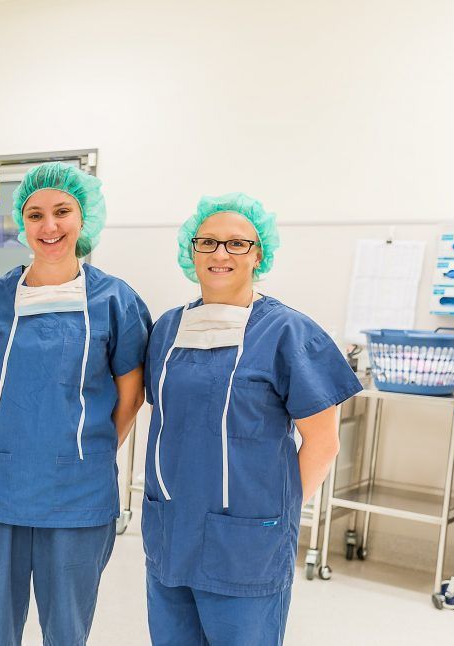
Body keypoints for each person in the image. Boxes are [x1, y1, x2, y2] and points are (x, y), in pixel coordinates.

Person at [141, 193, 362, 645]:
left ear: (259, 254)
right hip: (171, 531)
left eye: (237, 244)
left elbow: (323, 444)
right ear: (192, 251)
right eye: (208, 242)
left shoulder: (287, 332)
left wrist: (271, 516)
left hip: (247, 548)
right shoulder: (166, 329)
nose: (221, 253)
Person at [0, 162, 149, 646]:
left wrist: (86, 446)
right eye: (36, 214)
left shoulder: (114, 300)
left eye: (63, 212)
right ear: (23, 225)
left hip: (78, 493)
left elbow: (131, 395)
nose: (50, 226)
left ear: (84, 221)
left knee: (67, 629)